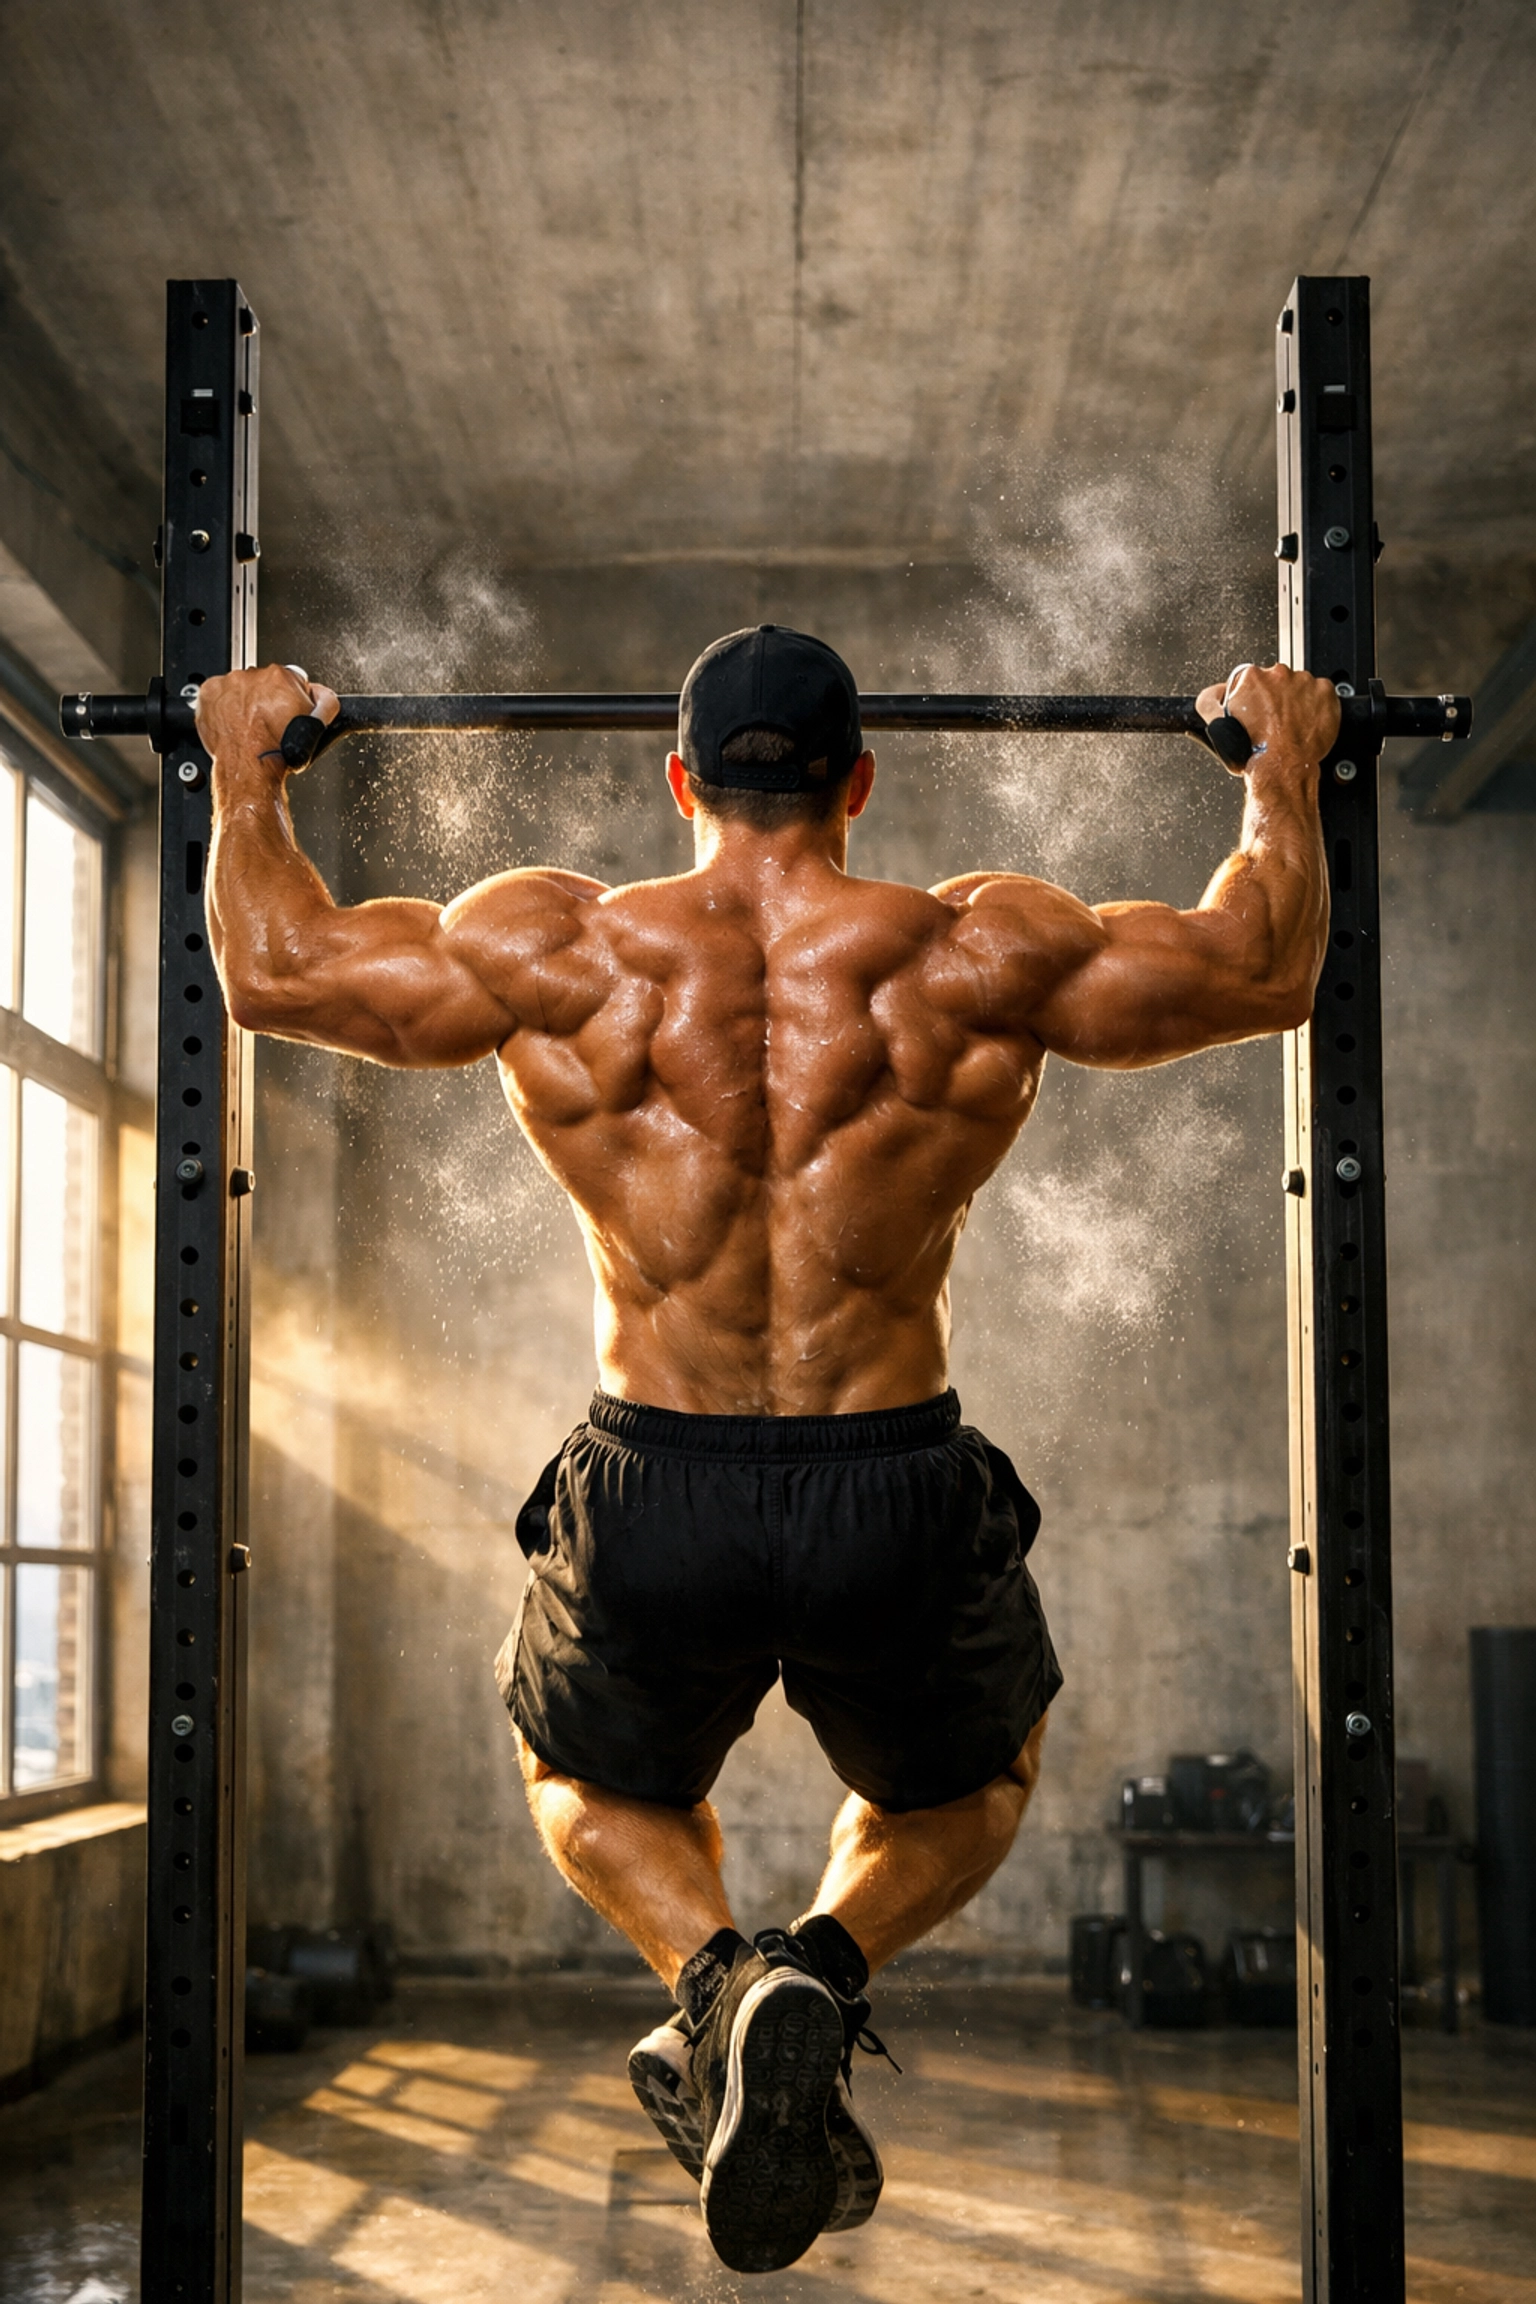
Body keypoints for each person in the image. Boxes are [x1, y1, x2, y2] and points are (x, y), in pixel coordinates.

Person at [199, 628, 1335, 2275]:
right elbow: (1263, 969)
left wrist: (248, 767)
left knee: (584, 1779)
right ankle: (817, 1966)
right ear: (861, 782)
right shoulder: (974, 949)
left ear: (679, 782)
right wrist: (1280, 766)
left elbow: (279, 972)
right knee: (975, 1779)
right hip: (895, 1476)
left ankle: (722, 1983)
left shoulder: (560, 945)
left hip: (658, 1476)